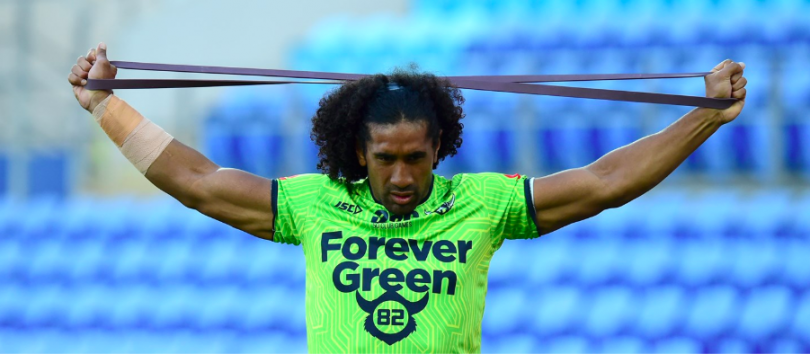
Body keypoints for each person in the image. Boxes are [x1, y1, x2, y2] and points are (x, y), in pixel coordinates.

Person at [68, 42, 747, 353]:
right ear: (356, 152)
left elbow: (604, 183)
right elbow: (197, 181)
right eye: (384, 159)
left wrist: (703, 117)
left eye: (414, 160)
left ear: (439, 150)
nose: (399, 176)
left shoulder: (486, 202)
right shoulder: (311, 204)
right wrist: (106, 108)